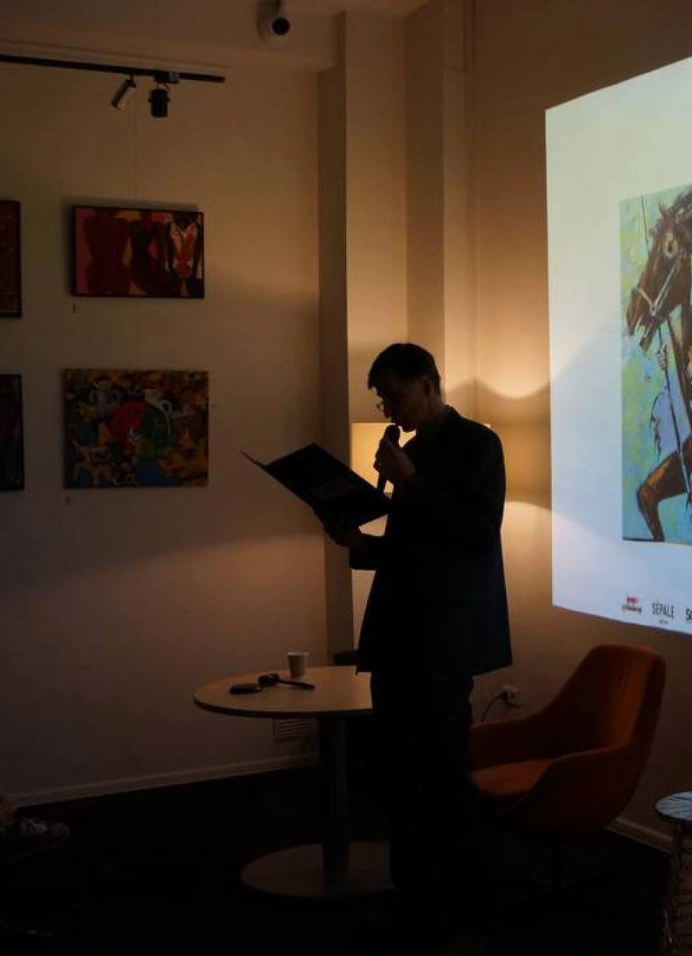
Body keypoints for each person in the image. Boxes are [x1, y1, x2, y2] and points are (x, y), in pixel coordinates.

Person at [319, 343, 511, 954]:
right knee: (396, 775)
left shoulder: (478, 444)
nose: (389, 408)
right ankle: (415, 902)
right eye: (382, 399)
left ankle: (469, 912)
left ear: (429, 383)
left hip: (444, 637)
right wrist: (359, 544)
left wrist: (410, 481)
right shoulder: (414, 452)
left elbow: (476, 535)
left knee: (445, 776)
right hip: (400, 633)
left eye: (395, 395)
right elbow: (413, 548)